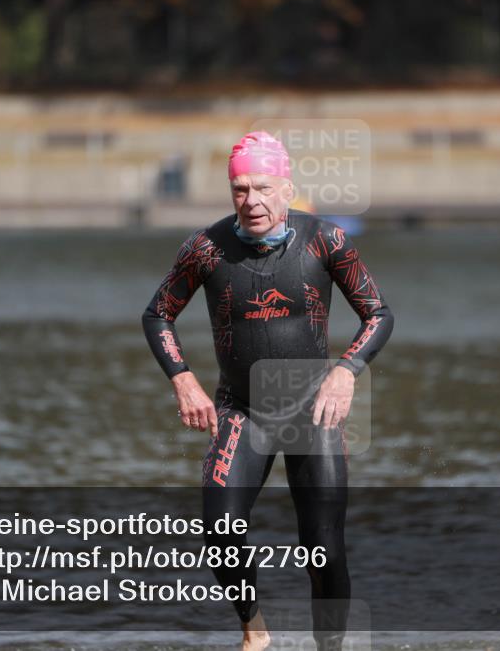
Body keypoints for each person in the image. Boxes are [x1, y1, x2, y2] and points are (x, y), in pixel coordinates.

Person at [142, 131, 393, 651]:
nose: (251, 201)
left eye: (262, 187)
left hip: (313, 414)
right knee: (219, 531)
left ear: (286, 188)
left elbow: (378, 314)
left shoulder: (326, 241)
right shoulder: (206, 248)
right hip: (243, 411)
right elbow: (157, 314)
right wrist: (183, 379)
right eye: (239, 189)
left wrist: (347, 370)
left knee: (322, 546)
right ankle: (255, 632)